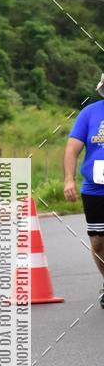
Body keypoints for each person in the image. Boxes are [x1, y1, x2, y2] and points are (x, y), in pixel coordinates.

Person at [64, 78, 104, 307]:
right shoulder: (90, 113)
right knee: (98, 242)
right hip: (95, 190)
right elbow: (72, 149)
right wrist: (69, 179)